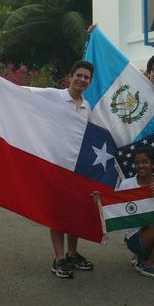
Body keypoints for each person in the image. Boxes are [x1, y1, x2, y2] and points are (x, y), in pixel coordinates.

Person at [48, 60, 96, 279]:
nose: (82, 80)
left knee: (74, 212)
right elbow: (26, 97)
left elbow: (92, 136)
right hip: (56, 166)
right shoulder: (54, 96)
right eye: (79, 75)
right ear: (71, 76)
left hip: (77, 169)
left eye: (86, 77)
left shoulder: (87, 107)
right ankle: (59, 258)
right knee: (57, 214)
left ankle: (72, 253)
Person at [113, 146, 154, 279]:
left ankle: (144, 257)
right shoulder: (126, 184)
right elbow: (115, 207)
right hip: (135, 235)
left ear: (153, 164)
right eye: (137, 163)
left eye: (144, 162)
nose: (140, 166)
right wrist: (100, 200)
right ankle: (149, 264)